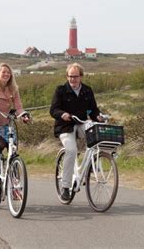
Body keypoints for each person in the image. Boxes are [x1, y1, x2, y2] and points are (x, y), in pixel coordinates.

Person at [50, 63, 104, 201]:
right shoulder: (60, 90)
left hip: (81, 123)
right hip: (65, 126)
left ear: (81, 76)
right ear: (67, 76)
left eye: (75, 76)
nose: (72, 79)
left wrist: (97, 116)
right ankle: (66, 187)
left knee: (95, 134)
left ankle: (92, 166)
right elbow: (53, 110)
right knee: (71, 150)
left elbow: (92, 109)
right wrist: (62, 114)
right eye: (70, 76)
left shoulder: (87, 90)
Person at [0, 63, 30, 181]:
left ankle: (14, 183)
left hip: (7, 125)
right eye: (3, 72)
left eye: (8, 72)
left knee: (12, 151)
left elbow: (18, 107)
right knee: (1, 145)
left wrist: (23, 116)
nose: (6, 74)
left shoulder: (13, 89)